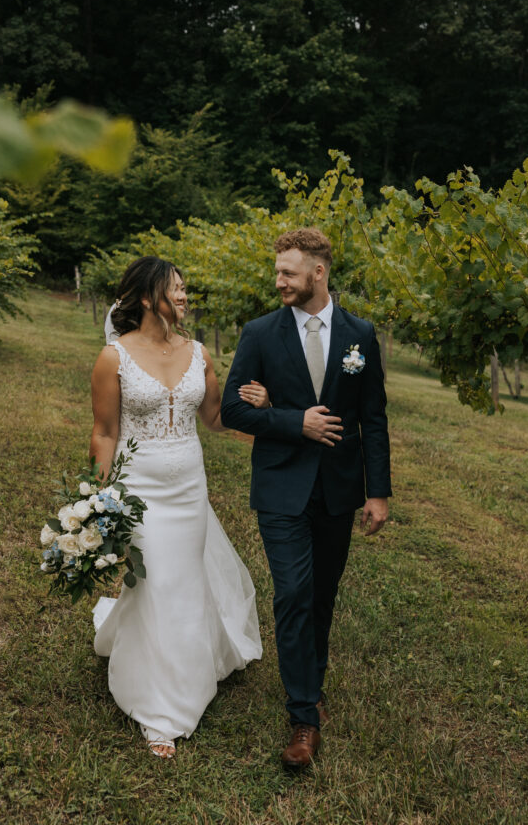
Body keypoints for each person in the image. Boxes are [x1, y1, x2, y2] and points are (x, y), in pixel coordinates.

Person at [220, 228, 391, 769]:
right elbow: (232, 410)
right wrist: (296, 422)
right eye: (277, 272)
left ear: (318, 272)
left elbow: (374, 420)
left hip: (339, 490)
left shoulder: (360, 334)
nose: (279, 281)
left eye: (288, 272)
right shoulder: (260, 333)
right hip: (281, 485)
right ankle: (303, 718)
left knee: (321, 597)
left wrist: (378, 492)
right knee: (293, 592)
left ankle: (309, 685)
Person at [89, 256, 266, 760]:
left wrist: (252, 408)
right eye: (177, 289)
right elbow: (104, 432)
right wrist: (97, 499)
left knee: (181, 582)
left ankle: (184, 671)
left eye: (187, 289)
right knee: (156, 580)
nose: (186, 297)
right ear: (148, 298)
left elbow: (212, 418)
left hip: (189, 485)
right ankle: (160, 709)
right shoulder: (113, 358)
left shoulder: (199, 353)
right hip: (138, 487)